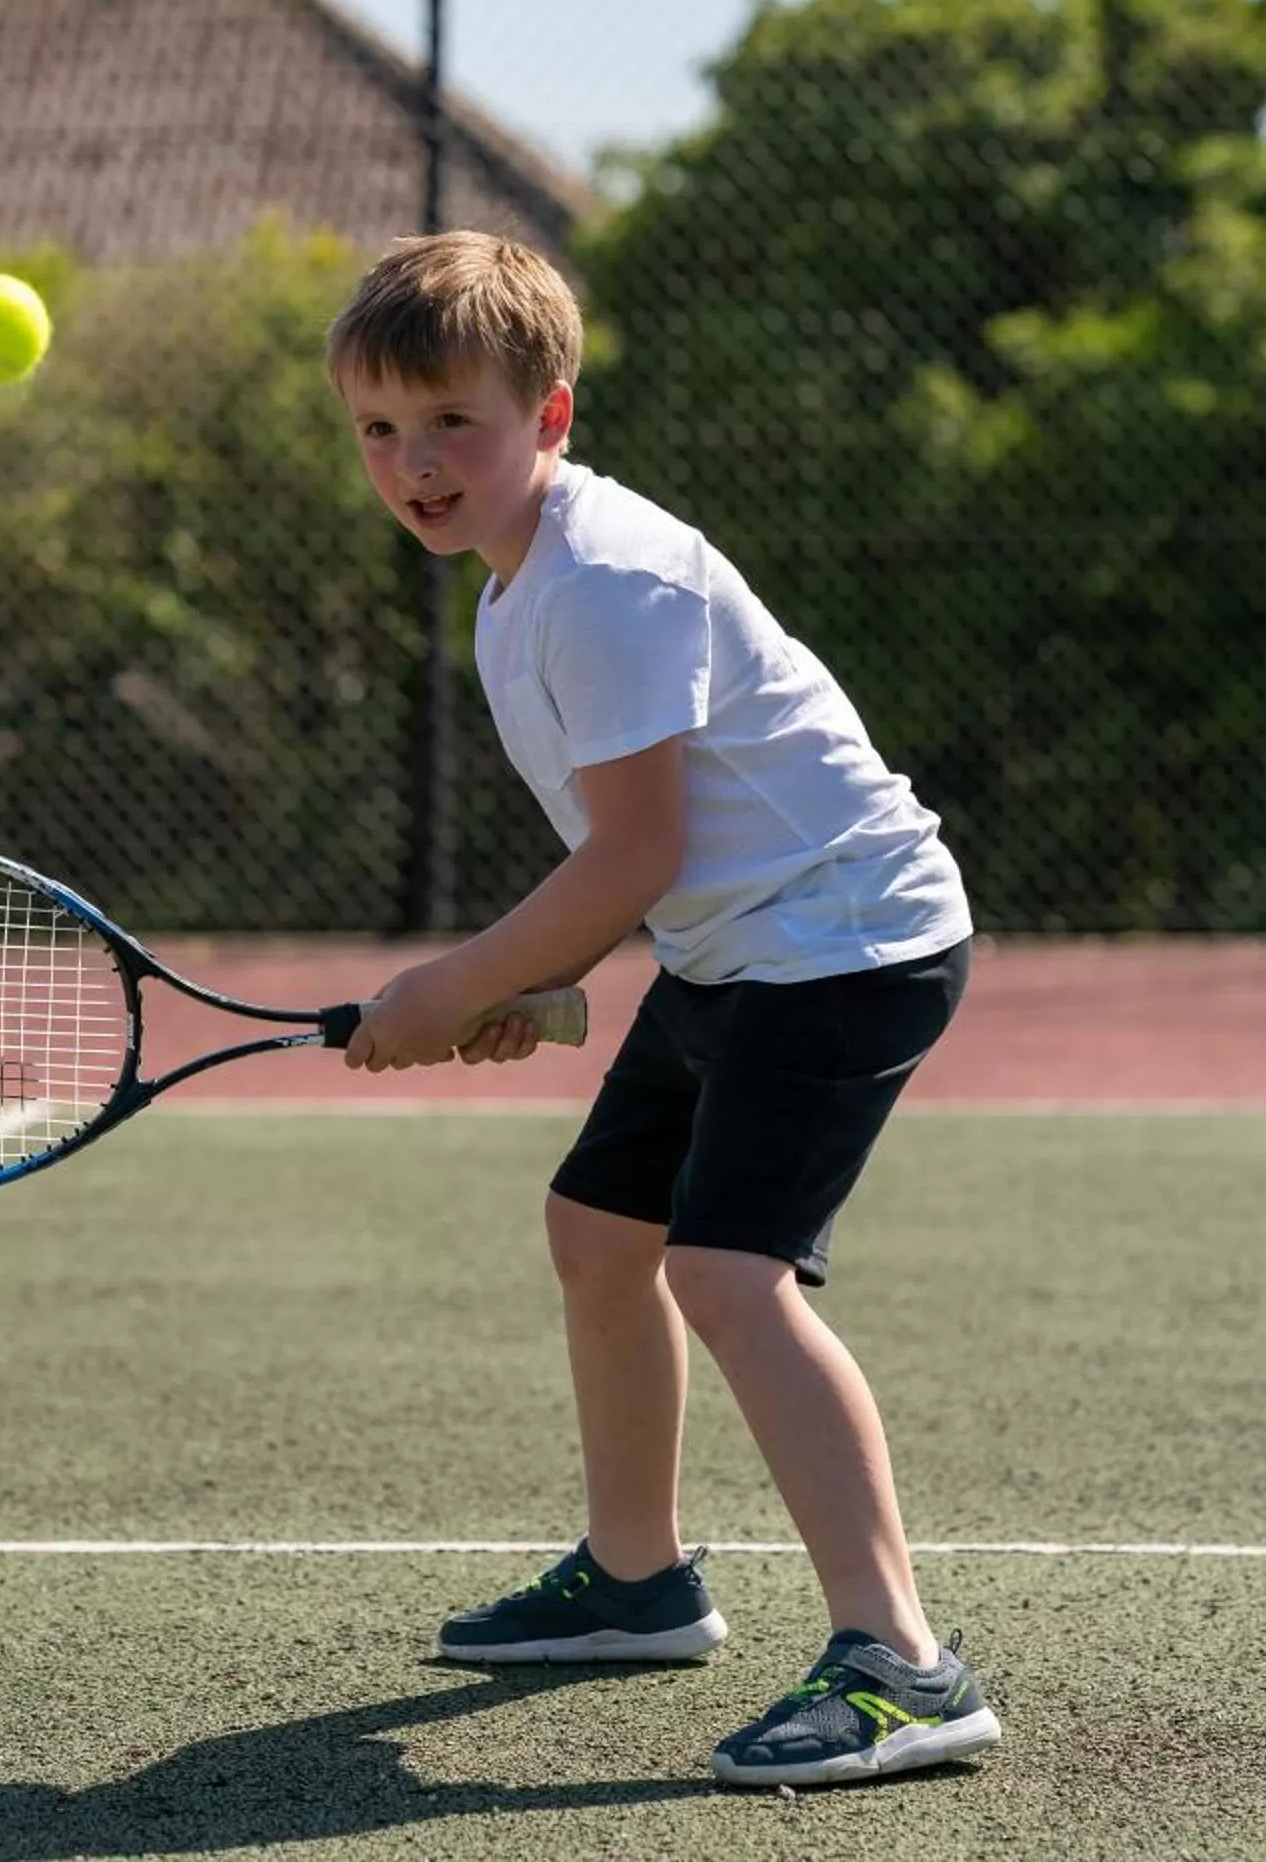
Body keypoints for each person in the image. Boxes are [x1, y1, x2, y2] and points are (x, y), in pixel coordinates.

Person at [325, 230, 1000, 1787]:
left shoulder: (605, 582)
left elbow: (638, 854)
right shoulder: (516, 586)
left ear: (549, 417)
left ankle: (904, 1664)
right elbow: (636, 855)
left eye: (452, 422)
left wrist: (452, 986)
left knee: (726, 1271)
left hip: (843, 945)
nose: (414, 462)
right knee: (598, 1232)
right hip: (737, 947)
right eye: (379, 428)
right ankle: (639, 1581)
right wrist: (537, 974)